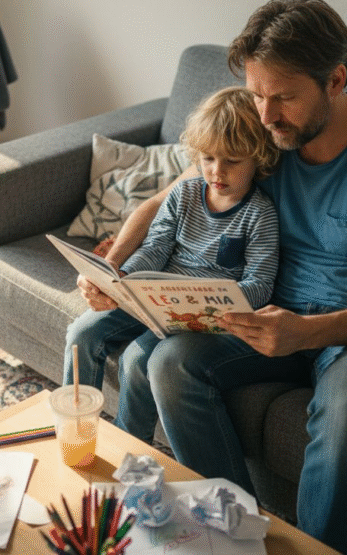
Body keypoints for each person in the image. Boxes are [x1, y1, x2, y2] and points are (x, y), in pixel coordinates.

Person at [79, 0, 347, 554]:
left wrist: (308, 331)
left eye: (284, 97)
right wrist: (112, 268)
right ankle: (237, 534)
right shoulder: (267, 135)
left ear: (336, 80)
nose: (267, 114)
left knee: (346, 414)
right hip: (269, 314)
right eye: (256, 93)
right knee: (169, 363)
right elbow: (165, 200)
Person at [63, 86, 280, 441]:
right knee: (81, 333)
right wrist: (123, 276)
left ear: (258, 158)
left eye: (232, 161)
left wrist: (220, 301)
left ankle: (129, 448)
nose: (217, 171)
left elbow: (260, 284)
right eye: (208, 159)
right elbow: (155, 247)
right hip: (153, 296)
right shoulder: (184, 194)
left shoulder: (260, 215)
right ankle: (75, 431)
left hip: (203, 318)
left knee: (136, 360)